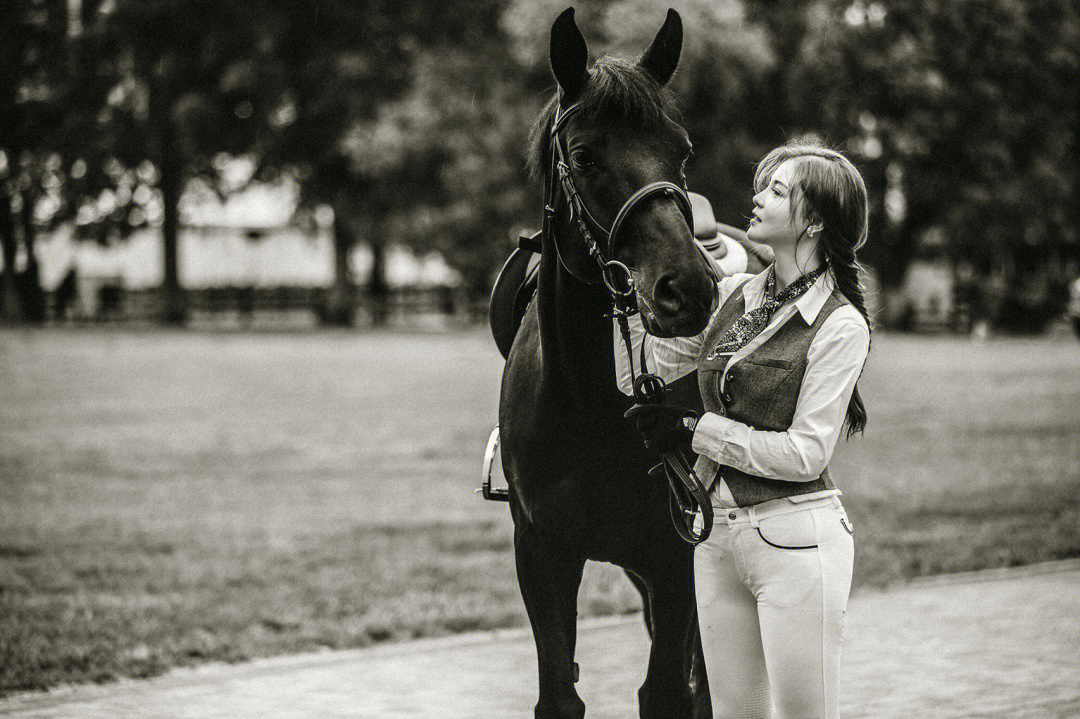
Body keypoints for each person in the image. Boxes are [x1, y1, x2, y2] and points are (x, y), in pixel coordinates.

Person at [618, 139, 871, 719]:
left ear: (815, 222)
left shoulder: (840, 327)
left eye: (776, 192)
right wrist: (630, 293)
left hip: (796, 542)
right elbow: (657, 364)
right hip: (716, 538)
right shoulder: (735, 295)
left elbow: (806, 455)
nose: (755, 199)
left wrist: (693, 427)